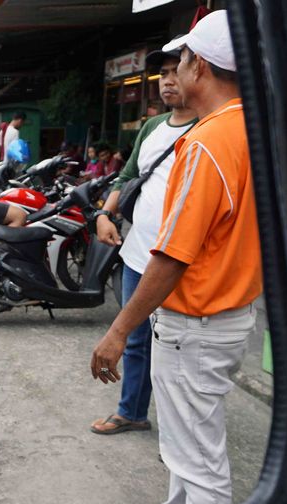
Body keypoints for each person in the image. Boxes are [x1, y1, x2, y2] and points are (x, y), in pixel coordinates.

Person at [91, 10, 261, 504]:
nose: (175, 71)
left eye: (182, 59)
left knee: (198, 458)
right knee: (189, 443)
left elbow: (172, 256)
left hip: (197, 322)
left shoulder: (209, 141)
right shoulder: (252, 129)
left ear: (200, 67)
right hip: (226, 314)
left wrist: (119, 329)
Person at [90, 47, 198, 436]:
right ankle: (132, 411)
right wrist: (104, 214)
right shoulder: (153, 127)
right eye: (162, 73)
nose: (168, 80)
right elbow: (128, 176)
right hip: (138, 255)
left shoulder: (207, 127)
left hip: (180, 262)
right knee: (136, 341)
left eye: (175, 70)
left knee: (180, 349)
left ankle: (184, 434)